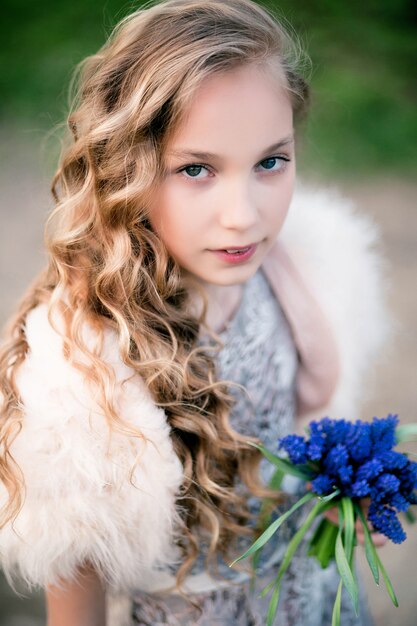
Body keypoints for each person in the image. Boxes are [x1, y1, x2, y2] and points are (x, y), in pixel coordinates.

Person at [0, 1, 390, 625]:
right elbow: (75, 596)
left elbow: (304, 431)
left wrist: (337, 504)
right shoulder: (84, 373)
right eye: (196, 169)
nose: (243, 215)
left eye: (270, 162)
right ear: (126, 166)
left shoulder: (299, 276)